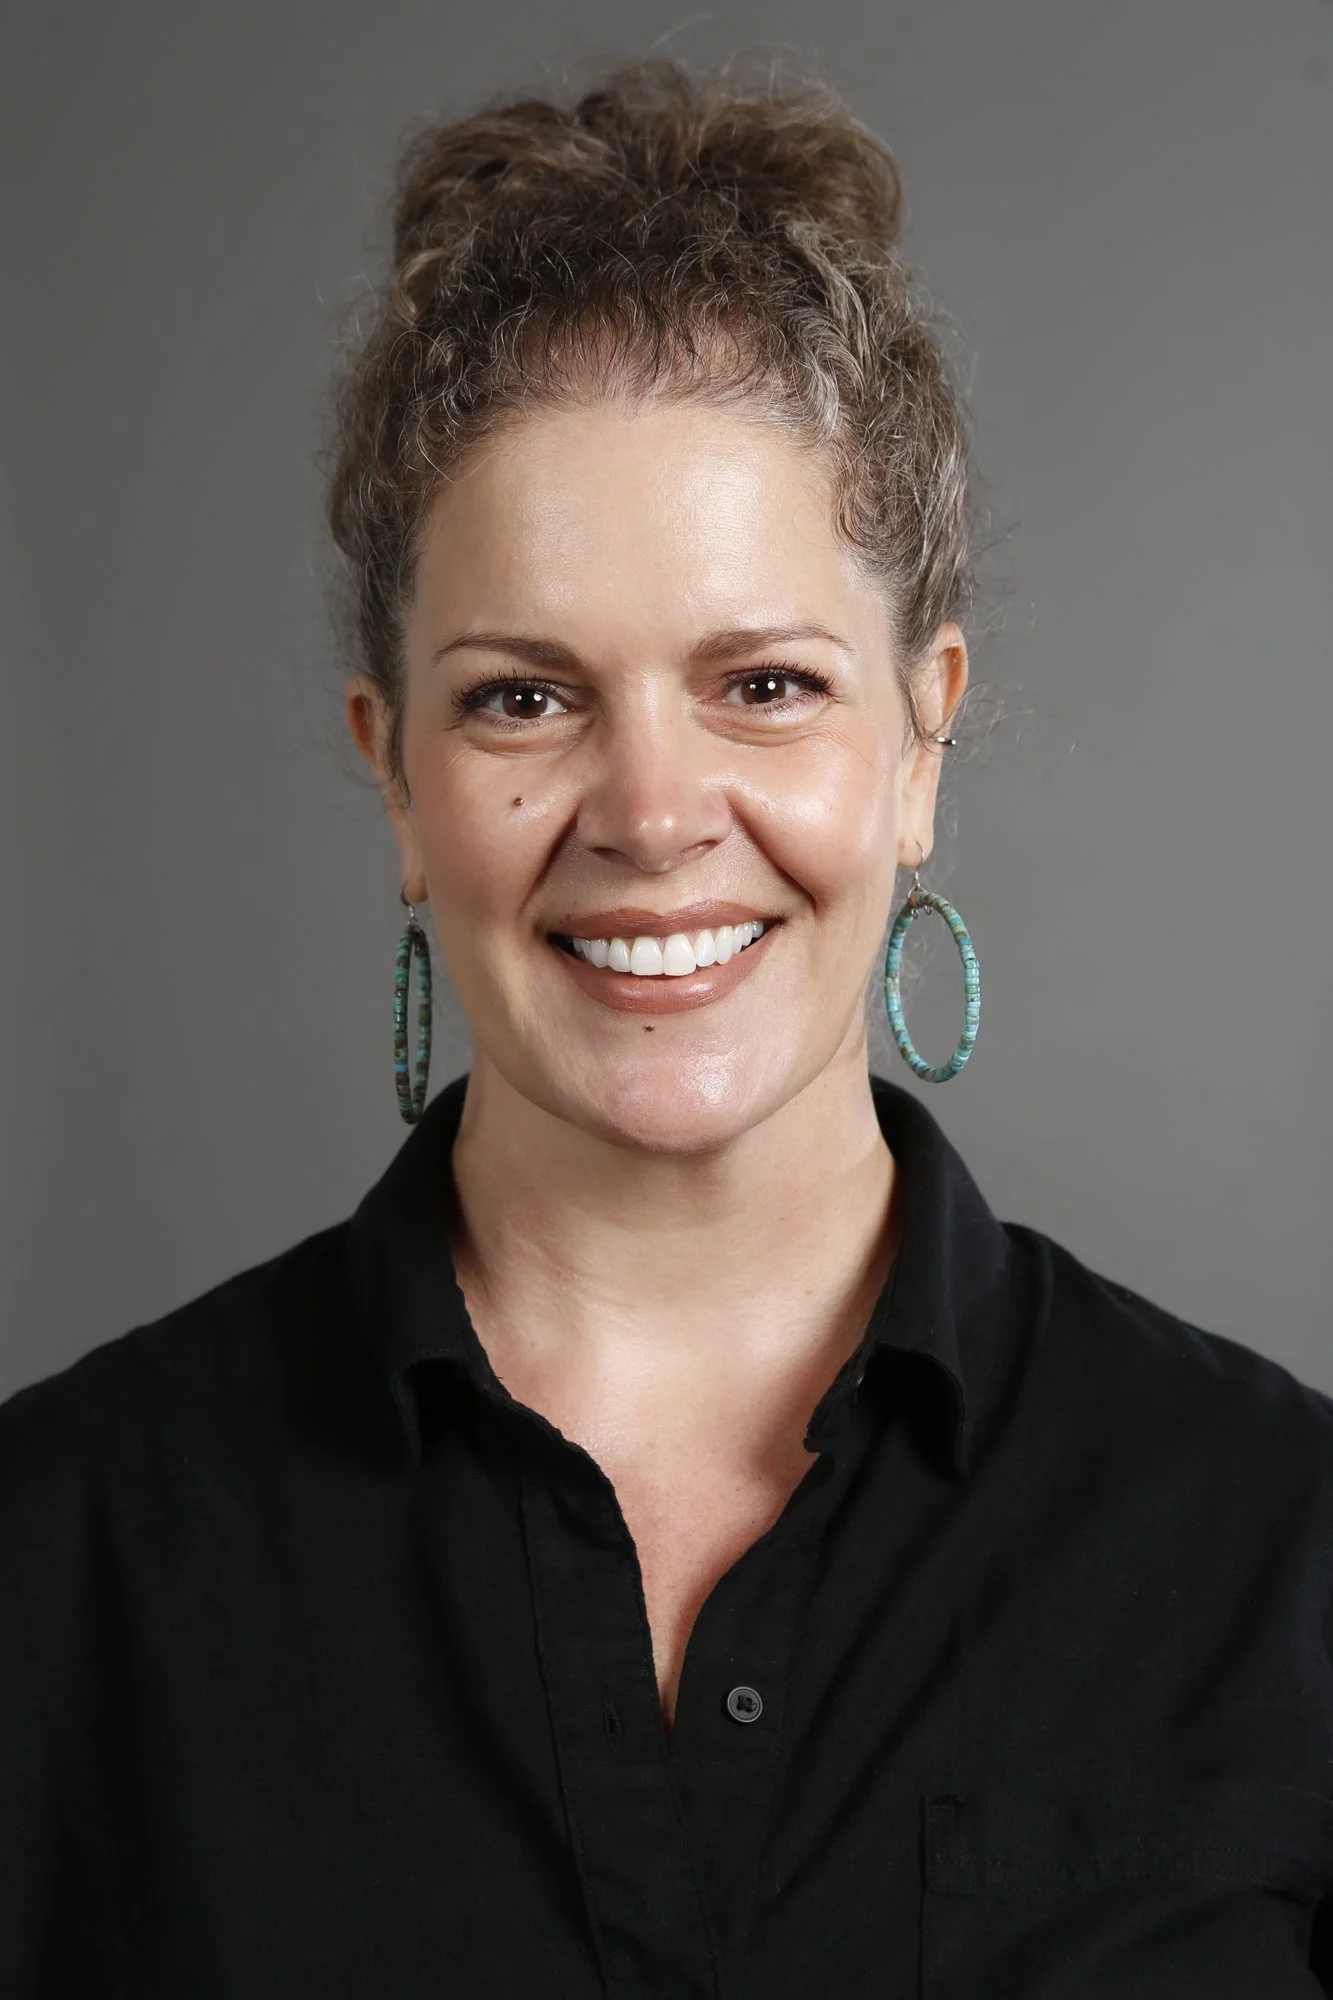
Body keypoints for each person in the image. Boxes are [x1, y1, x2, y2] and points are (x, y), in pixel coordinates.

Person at [2, 52, 1331, 2000]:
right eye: (524, 699)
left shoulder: (1278, 1544)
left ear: (920, 740)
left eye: (766, 683)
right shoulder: (57, 1564)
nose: (648, 809)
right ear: (394, 777)